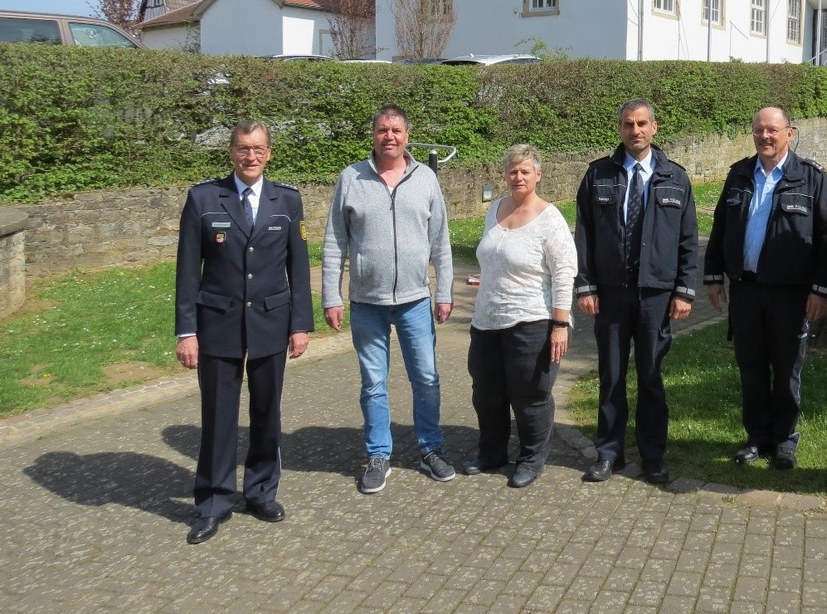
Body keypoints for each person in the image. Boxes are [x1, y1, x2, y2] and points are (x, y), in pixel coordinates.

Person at [174, 120, 313, 545]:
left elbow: (300, 268)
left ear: (269, 153)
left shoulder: (286, 200)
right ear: (231, 153)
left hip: (272, 321)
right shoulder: (202, 198)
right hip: (217, 324)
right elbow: (186, 271)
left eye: (257, 149)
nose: (250, 156)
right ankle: (214, 501)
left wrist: (300, 324)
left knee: (267, 414)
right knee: (218, 417)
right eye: (242, 148)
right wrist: (186, 331)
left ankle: (261, 492)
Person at [322, 105, 456, 493]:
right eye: (383, 130)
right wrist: (332, 295)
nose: (390, 136)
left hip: (415, 300)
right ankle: (379, 454)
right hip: (367, 302)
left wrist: (444, 291)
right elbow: (335, 242)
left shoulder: (426, 179)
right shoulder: (351, 178)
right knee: (374, 383)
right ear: (374, 135)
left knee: (426, 379)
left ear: (407, 135)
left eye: (396, 130)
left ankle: (430, 448)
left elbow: (441, 242)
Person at [704, 106, 827, 470]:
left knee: (787, 369)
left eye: (773, 130)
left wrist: (822, 290)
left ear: (788, 133)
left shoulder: (811, 177)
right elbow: (720, 227)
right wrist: (714, 276)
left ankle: (784, 440)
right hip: (746, 290)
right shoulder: (739, 174)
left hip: (791, 294)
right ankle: (756, 437)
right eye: (759, 130)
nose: (765, 136)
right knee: (751, 367)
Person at [575, 99, 698, 484]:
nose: (635, 130)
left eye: (642, 123)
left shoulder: (675, 178)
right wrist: (586, 285)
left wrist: (684, 290)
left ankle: (652, 457)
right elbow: (584, 234)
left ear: (655, 128)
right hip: (610, 293)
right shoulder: (598, 175)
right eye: (628, 124)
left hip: (655, 295)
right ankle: (608, 453)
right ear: (620, 129)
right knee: (611, 376)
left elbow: (689, 240)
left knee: (651, 376)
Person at [466, 145, 578, 488]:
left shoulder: (550, 218)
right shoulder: (495, 210)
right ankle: (492, 453)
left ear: (538, 175)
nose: (518, 177)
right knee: (487, 393)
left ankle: (531, 459)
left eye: (525, 171)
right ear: (505, 175)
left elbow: (564, 273)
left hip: (533, 320)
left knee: (530, 394)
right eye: (513, 171)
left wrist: (560, 325)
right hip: (486, 319)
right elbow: (496, 257)